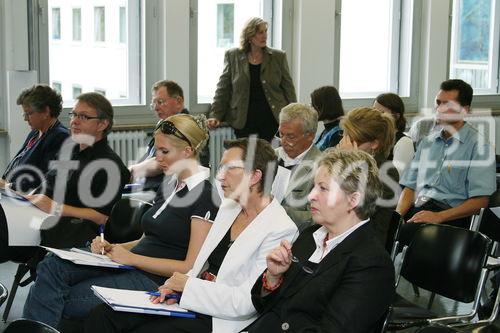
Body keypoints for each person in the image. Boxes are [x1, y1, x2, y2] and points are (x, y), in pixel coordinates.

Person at [22, 113, 220, 329]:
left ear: (187, 151)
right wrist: (113, 248)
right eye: (157, 151)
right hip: (133, 265)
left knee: (60, 298)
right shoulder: (170, 184)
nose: (158, 158)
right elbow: (148, 239)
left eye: (165, 152)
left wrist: (130, 259)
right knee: (51, 265)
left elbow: (189, 267)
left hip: (154, 279)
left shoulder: (204, 197)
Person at [83, 138, 297, 333]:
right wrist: (172, 288)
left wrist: (188, 287)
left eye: (230, 168)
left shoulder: (279, 228)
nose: (220, 176)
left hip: (220, 318)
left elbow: (246, 301)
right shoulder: (229, 208)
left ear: (255, 176)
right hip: (191, 301)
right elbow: (200, 266)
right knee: (103, 315)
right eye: (220, 167)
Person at [244, 149, 395, 333]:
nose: (311, 196)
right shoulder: (311, 236)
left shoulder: (372, 265)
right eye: (314, 187)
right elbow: (264, 307)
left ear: (353, 199)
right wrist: (273, 278)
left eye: (323, 188)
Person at [0, 92, 130, 263]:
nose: (74, 121)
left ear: (102, 124)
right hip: (34, 218)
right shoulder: (70, 151)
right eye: (74, 114)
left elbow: (102, 217)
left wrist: (56, 207)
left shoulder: (110, 165)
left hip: (62, 231)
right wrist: (14, 193)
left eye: (83, 116)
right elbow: (47, 189)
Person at [396, 79, 496, 228]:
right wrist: (397, 217)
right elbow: (410, 187)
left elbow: (480, 201)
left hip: (451, 216)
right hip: (419, 209)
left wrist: (439, 217)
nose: (439, 109)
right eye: (438, 102)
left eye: (447, 105)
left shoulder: (479, 147)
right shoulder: (427, 143)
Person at [207, 17, 297, 141]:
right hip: (243, 119)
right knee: (247, 157)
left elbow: (288, 89)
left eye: (266, 31)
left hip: (271, 118)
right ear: (249, 35)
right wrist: (215, 115)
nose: (265, 35)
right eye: (260, 32)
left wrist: (294, 116)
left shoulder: (278, 57)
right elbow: (223, 88)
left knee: (267, 157)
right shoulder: (233, 56)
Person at [337, 107, 400, 246]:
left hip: (366, 242)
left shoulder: (387, 172)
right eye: (345, 136)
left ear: (374, 144)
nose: (346, 144)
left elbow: (358, 209)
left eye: (354, 141)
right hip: (339, 233)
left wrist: (349, 164)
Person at [1, 84, 69, 193]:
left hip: (28, 199)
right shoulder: (35, 132)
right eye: (24, 114)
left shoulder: (60, 137)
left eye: (29, 113)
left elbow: (42, 178)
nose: (25, 119)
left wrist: (7, 185)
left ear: (46, 111)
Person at [128, 80, 190, 192]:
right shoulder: (165, 124)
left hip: (169, 190)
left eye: (160, 102)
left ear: (179, 102)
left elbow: (162, 163)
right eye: (154, 103)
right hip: (151, 186)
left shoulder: (185, 127)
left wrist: (130, 171)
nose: (156, 108)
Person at [274, 103, 321, 230]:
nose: (283, 141)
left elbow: (317, 218)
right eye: (281, 134)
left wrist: (276, 211)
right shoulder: (272, 155)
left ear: (310, 136)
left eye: (290, 136)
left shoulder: (321, 167)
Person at [373, 92, 415, 177]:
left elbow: (398, 178)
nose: (375, 116)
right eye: (373, 111)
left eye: (381, 112)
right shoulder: (373, 138)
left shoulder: (404, 142)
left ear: (396, 116)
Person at [310, 85, 345, 151]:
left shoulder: (338, 134)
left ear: (323, 107)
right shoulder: (327, 130)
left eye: (313, 105)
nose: (311, 109)